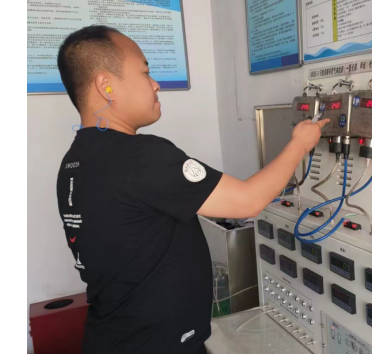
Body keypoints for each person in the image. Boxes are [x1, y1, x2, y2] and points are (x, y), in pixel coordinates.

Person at [55, 25, 329, 354]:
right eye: (145, 72)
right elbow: (248, 201)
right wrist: (300, 144)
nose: (155, 84)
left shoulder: (74, 162)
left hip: (111, 338)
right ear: (106, 85)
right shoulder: (140, 156)